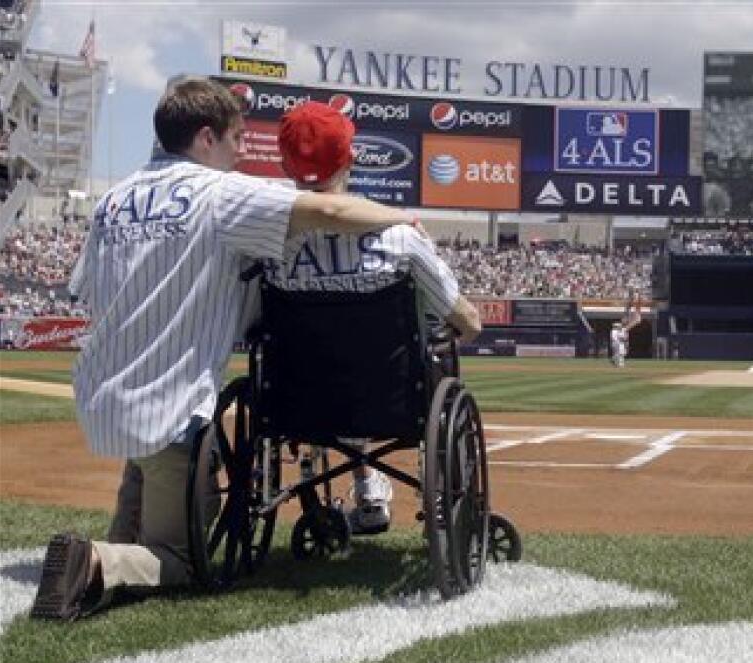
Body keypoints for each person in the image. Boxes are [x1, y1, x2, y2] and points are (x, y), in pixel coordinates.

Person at [31, 78, 425, 621]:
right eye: (237, 138)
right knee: (182, 560)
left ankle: (111, 547)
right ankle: (96, 558)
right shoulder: (220, 192)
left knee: (138, 524)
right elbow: (329, 214)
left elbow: (86, 289)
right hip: (169, 411)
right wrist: (399, 218)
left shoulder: (112, 200)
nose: (243, 151)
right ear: (204, 138)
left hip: (104, 400)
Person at [269, 101, 482, 534]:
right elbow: (469, 321)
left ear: (284, 162)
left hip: (300, 402)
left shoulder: (262, 240)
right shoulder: (400, 236)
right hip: (393, 398)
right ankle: (430, 491)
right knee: (432, 350)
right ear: (350, 158)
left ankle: (364, 484)